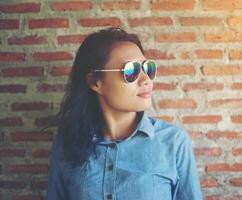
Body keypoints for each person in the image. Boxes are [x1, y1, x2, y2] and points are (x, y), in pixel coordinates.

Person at [46, 26, 203, 200]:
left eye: (148, 68)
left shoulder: (173, 142)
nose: (146, 80)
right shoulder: (68, 143)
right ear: (95, 82)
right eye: (131, 70)